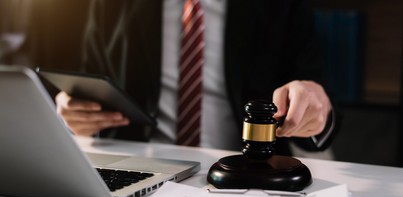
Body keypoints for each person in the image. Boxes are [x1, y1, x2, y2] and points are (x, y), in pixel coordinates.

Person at [55, 0, 340, 155]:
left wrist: (316, 110)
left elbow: (314, 98)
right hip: (139, 165)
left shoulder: (281, 6)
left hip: (243, 171)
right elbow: (89, 84)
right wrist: (72, 113)